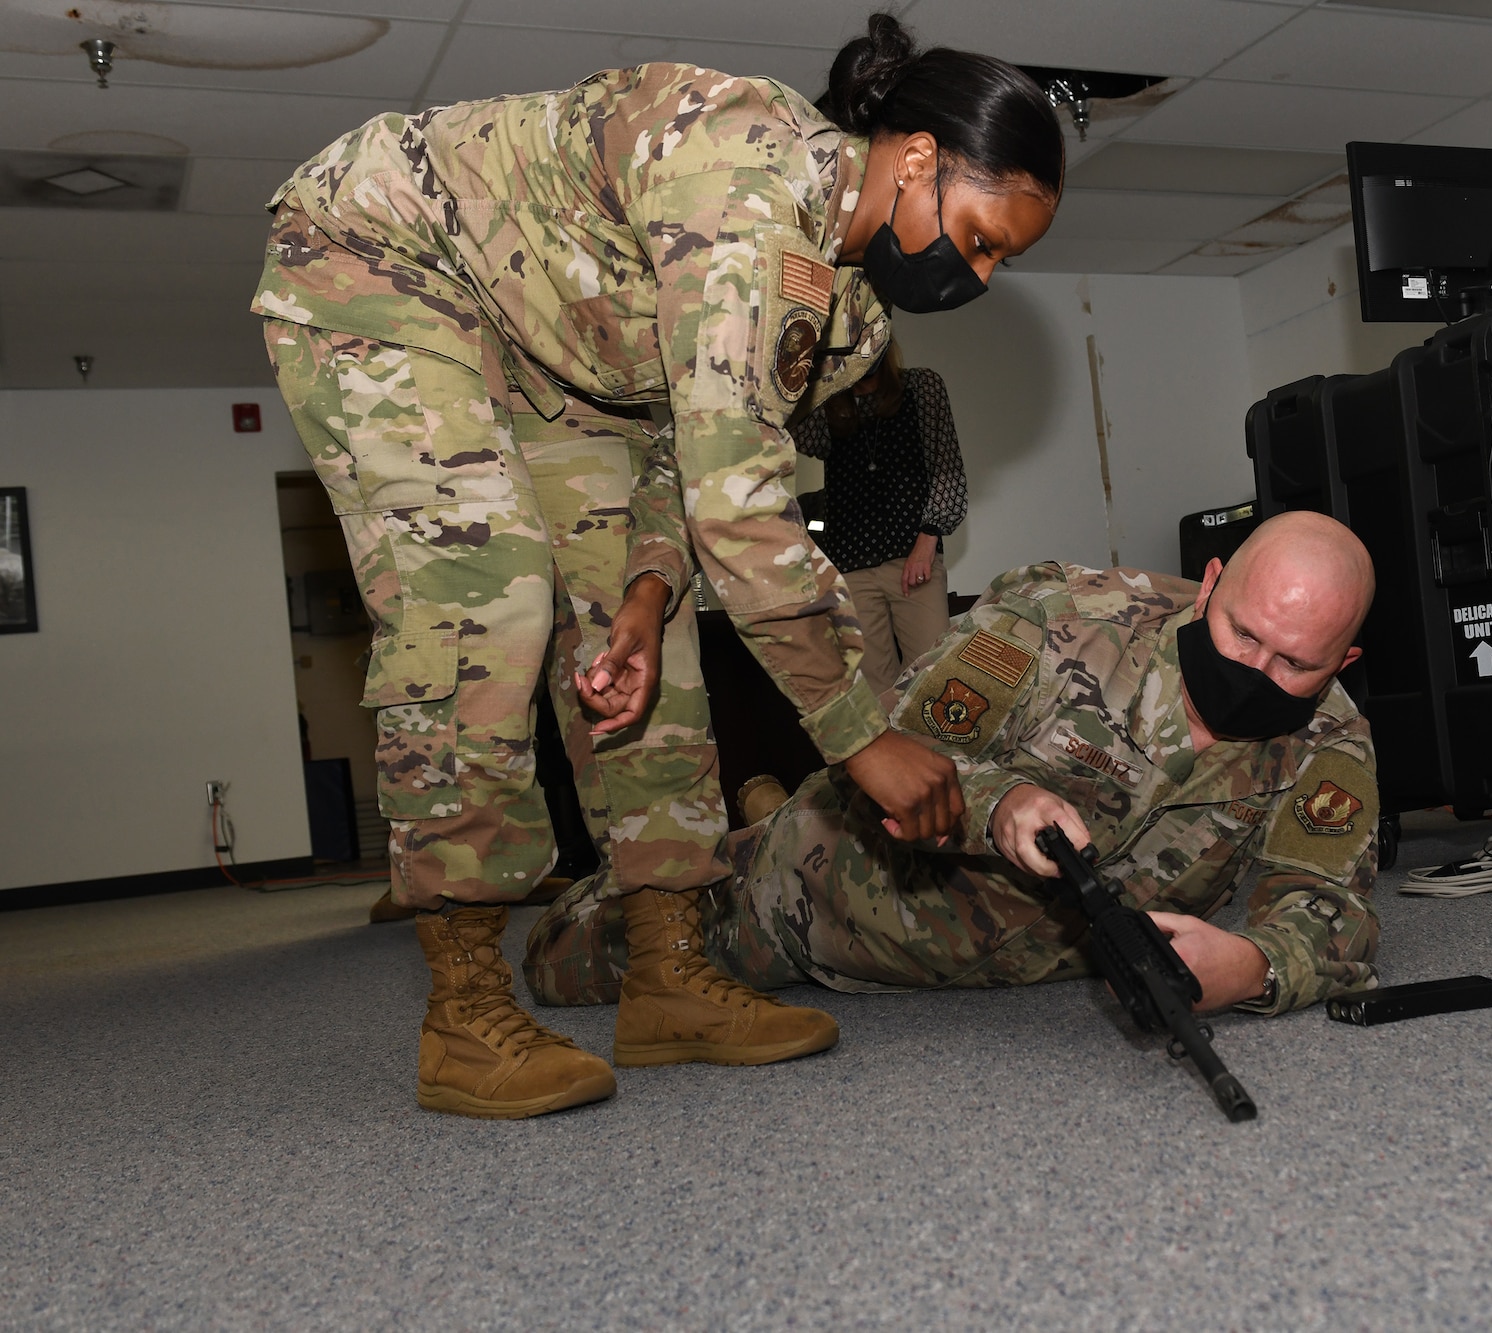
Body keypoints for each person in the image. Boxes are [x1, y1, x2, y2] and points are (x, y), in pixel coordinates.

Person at [251, 13, 1063, 1119]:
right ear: (917, 160)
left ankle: (667, 967)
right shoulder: (741, 193)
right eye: (977, 236)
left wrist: (638, 597)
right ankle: (463, 1006)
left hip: (561, 359)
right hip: (385, 258)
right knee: (484, 595)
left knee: (644, 639)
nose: (975, 276)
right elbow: (743, 513)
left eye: (1000, 263)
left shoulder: (848, 319)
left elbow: (695, 461)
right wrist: (862, 737)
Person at [527, 511, 1382, 1017]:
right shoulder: (1059, 618)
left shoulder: (1331, 742)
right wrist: (1000, 801)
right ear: (1209, 585)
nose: (1255, 674)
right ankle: (748, 822)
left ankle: (757, 799)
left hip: (1006, 968)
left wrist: (1255, 968)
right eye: (1242, 634)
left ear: (1341, 664)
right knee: (564, 962)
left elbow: (1328, 906)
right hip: (822, 898)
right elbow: (899, 755)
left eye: (1295, 665)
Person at [793, 341, 967, 696]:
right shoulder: (830, 403)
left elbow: (946, 468)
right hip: (850, 564)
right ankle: (890, 753)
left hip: (911, 557)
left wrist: (927, 540)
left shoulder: (920, 386)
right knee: (872, 686)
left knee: (931, 677)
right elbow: (804, 438)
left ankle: (934, 753)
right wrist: (815, 376)